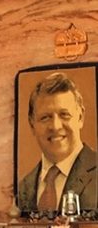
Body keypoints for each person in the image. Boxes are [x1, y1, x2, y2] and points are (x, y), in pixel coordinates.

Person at [17, 71, 98, 214]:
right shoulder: (24, 187)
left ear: (80, 117)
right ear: (32, 125)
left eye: (64, 115)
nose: (55, 126)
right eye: (45, 117)